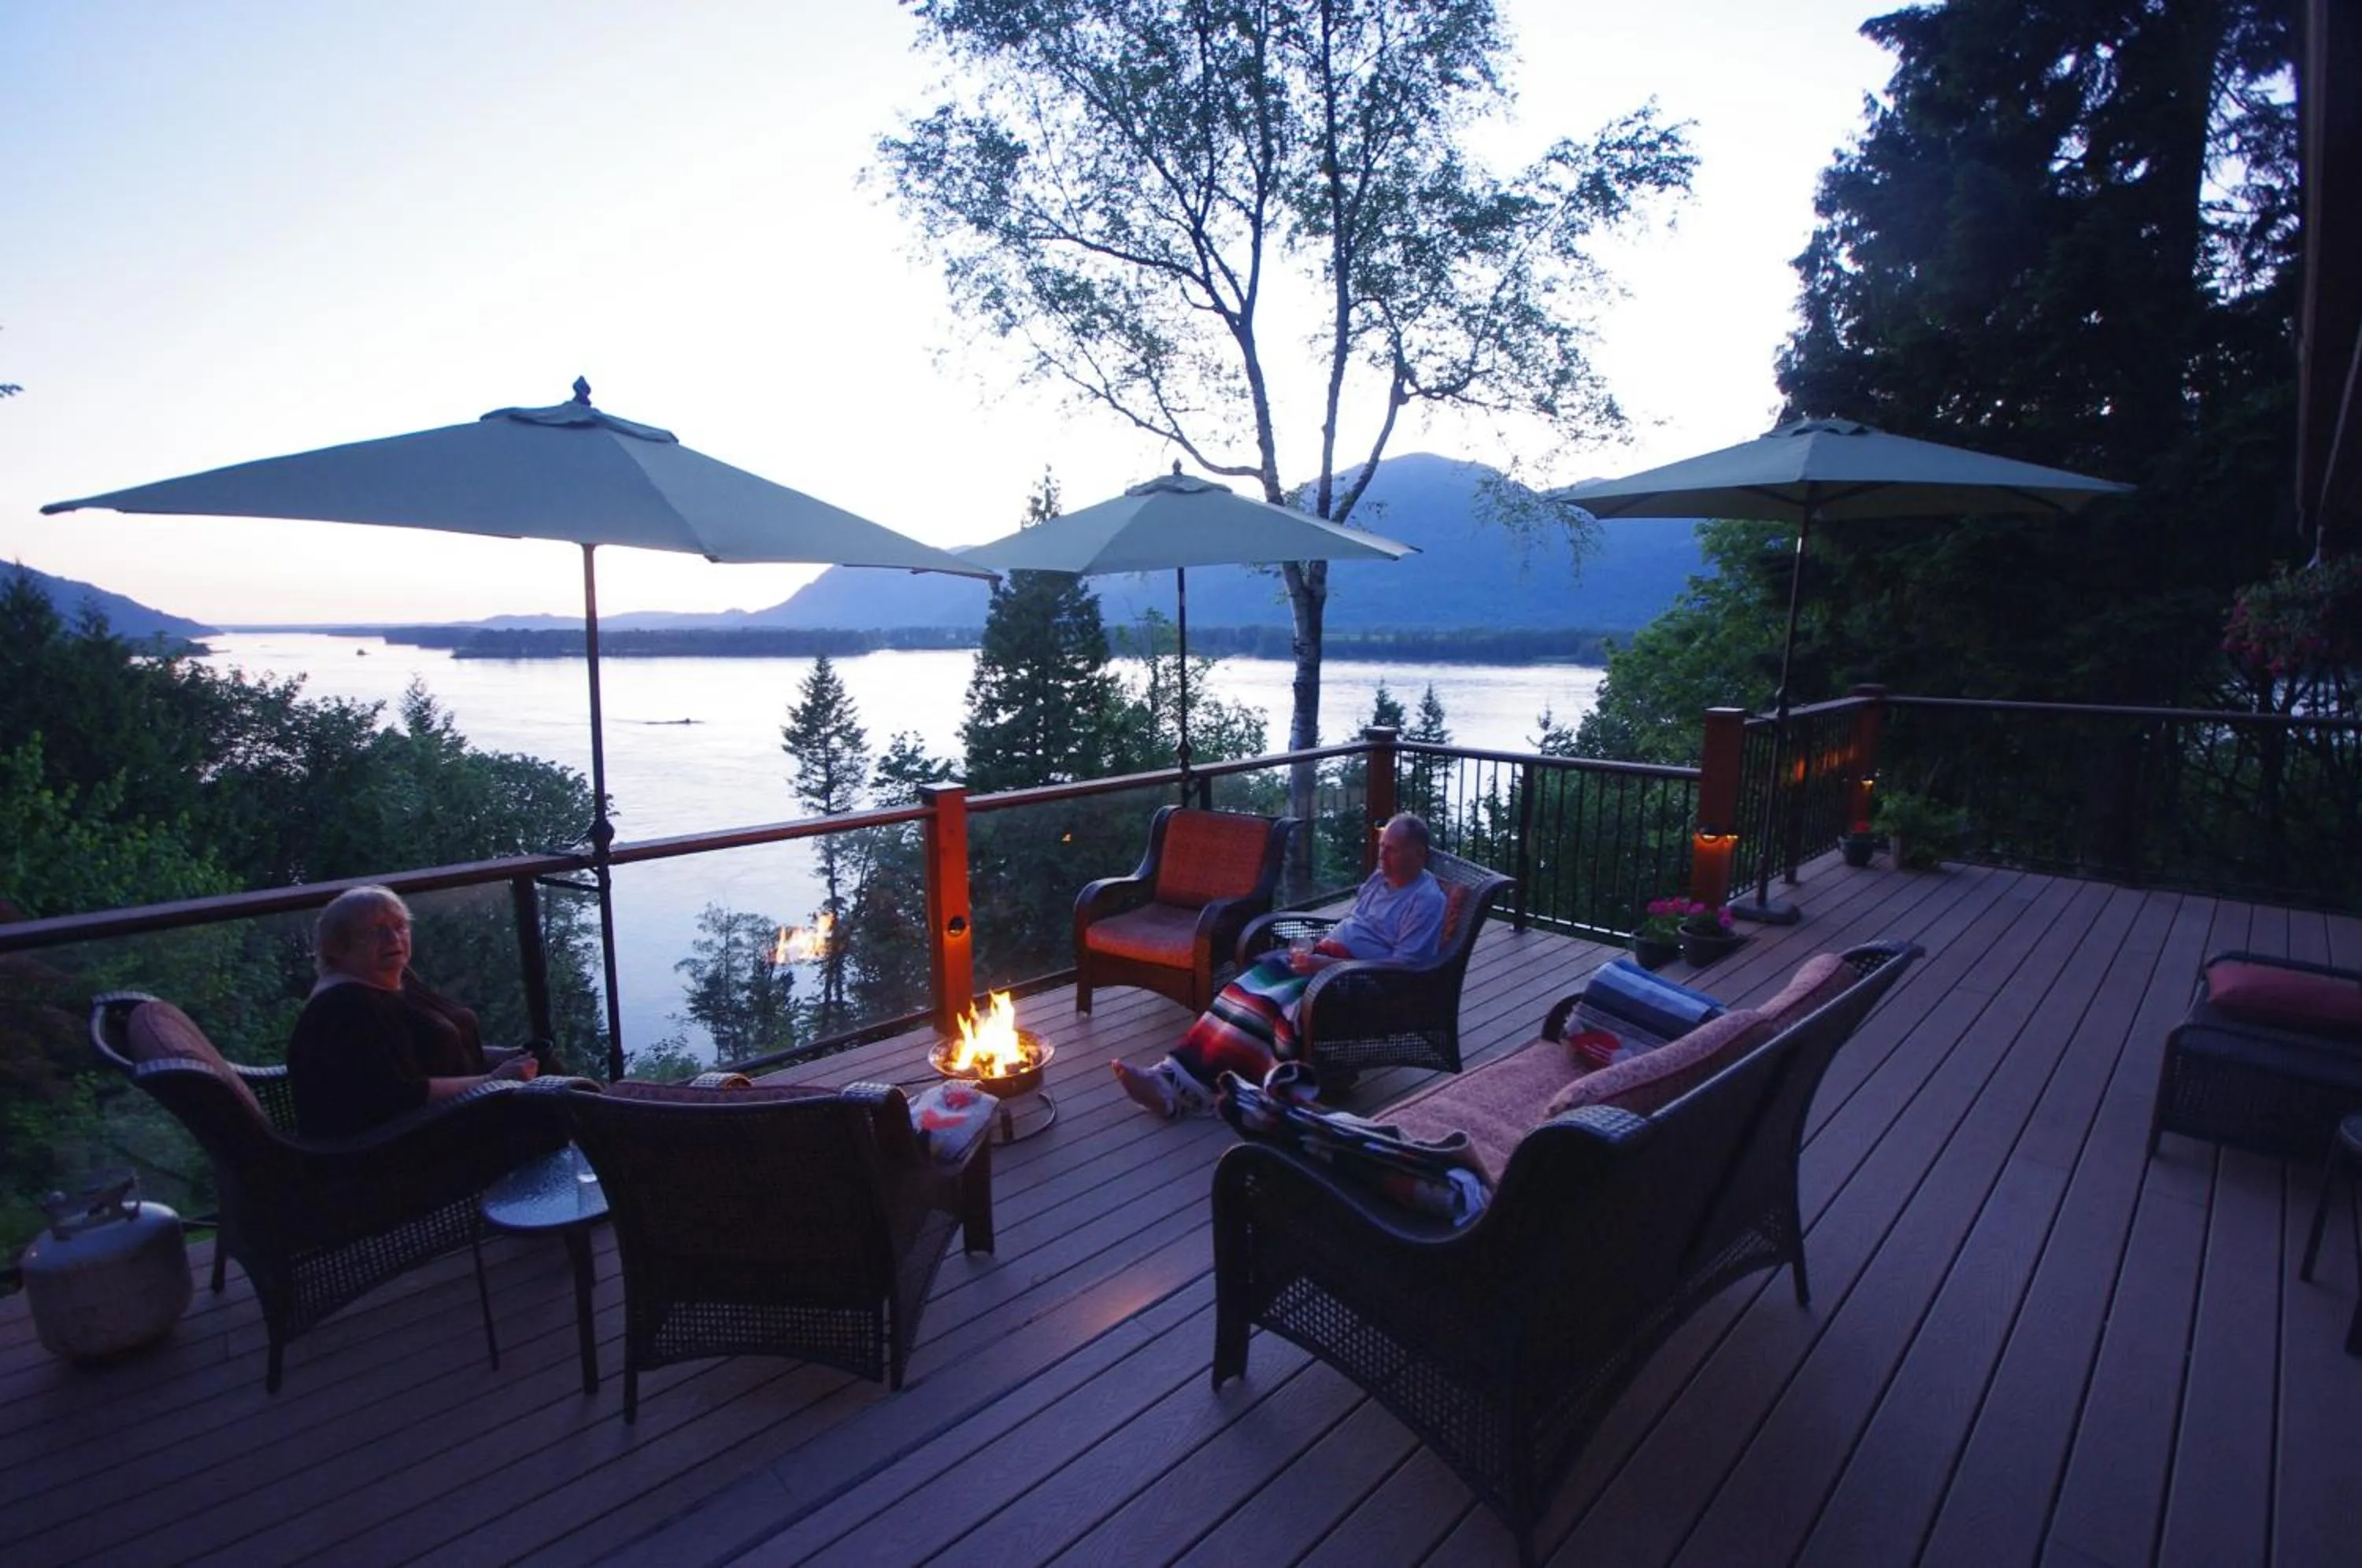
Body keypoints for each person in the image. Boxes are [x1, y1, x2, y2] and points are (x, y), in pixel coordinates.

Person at [1112, 812, 1449, 1119]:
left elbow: (1403, 969)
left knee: (1269, 1006)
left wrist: (1327, 964)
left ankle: (1191, 1089)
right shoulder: (1381, 878)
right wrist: (1316, 949)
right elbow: (1354, 922)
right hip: (1329, 957)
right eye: (1382, 847)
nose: (1382, 857)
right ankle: (1168, 1073)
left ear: (1419, 854)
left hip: (1359, 979)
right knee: (1240, 990)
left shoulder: (1426, 900)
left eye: (1392, 850)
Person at [288, 886, 539, 1137]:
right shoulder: (345, 1006)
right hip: (410, 1142)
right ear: (336, 947)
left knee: (545, 1069)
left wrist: (504, 1057)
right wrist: (492, 1080)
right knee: (551, 1104)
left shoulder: (395, 978)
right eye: (375, 931)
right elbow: (396, 1096)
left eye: (400, 927)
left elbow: (432, 1046)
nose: (393, 939)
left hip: (457, 1114)